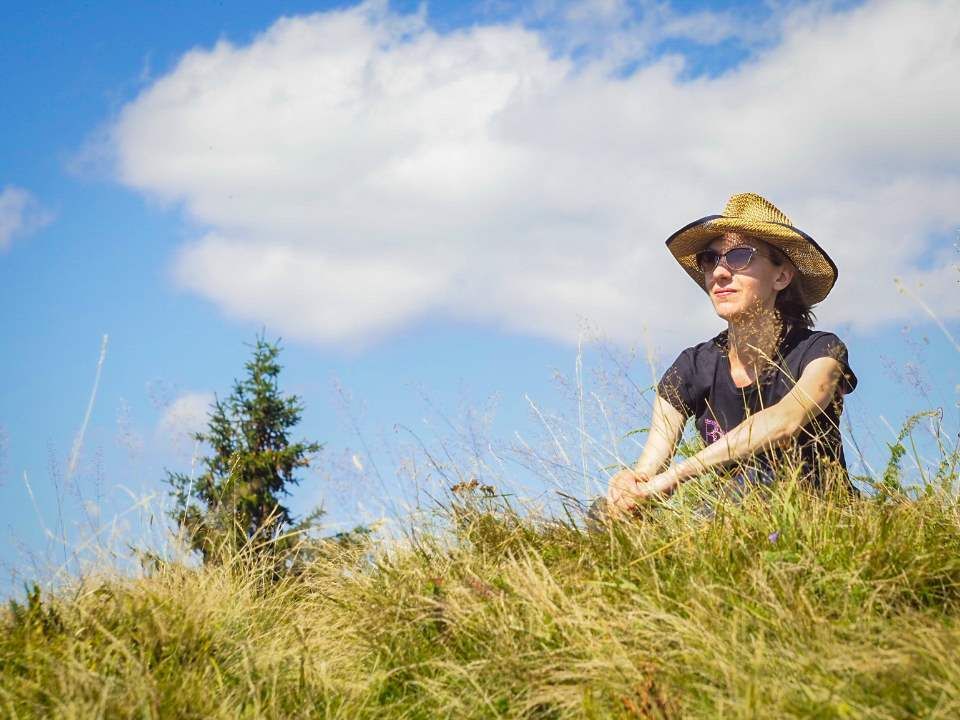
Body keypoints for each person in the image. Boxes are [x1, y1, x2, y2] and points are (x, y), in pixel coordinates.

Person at [603, 192, 858, 519]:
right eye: (711, 259)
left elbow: (785, 421)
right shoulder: (692, 366)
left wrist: (680, 474)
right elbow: (650, 466)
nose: (720, 272)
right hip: (728, 520)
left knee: (757, 484)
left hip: (819, 517)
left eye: (740, 256)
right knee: (607, 515)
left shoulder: (821, 353)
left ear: (781, 276)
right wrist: (631, 485)